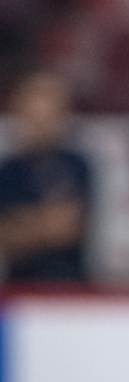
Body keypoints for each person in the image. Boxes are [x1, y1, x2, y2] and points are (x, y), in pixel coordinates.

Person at [0, 70, 95, 285]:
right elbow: (4, 238)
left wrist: (23, 224)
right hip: (18, 291)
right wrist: (45, 224)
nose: (41, 123)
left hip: (68, 289)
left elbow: (68, 228)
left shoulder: (77, 166)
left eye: (48, 115)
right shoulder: (8, 170)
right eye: (34, 115)